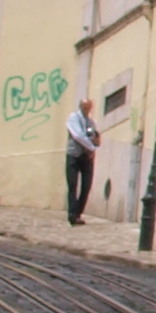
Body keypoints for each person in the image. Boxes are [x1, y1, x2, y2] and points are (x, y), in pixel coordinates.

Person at [61, 97, 100, 227]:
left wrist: (95, 141)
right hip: (74, 155)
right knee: (72, 185)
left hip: (87, 157)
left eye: (88, 107)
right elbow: (78, 135)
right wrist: (91, 146)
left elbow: (96, 139)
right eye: (84, 106)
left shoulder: (91, 122)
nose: (87, 109)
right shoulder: (73, 118)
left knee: (86, 186)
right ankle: (72, 214)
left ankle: (78, 213)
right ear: (80, 106)